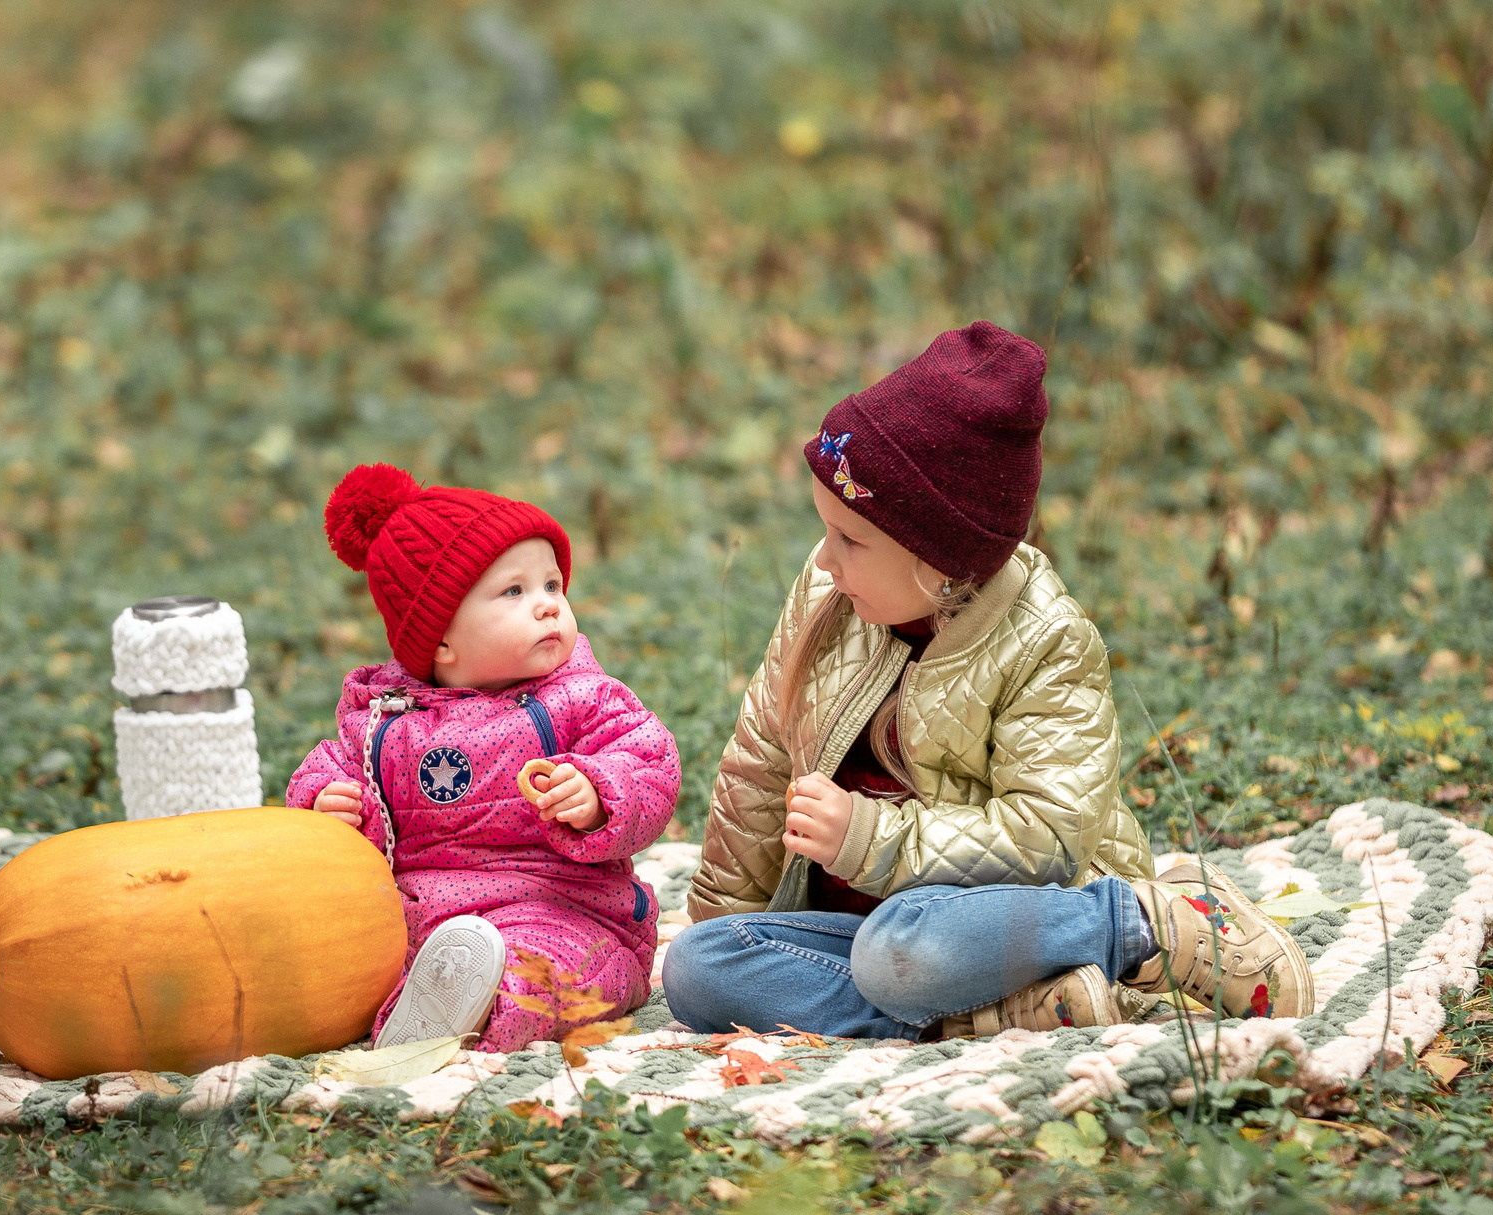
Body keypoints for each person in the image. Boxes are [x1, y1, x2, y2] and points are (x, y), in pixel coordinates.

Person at [661, 321, 1313, 1039]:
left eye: (851, 539)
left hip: (993, 918)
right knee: (697, 968)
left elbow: (1048, 834)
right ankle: (989, 1014)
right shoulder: (826, 596)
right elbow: (761, 760)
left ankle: (1140, 922)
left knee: (901, 950)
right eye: (825, 529)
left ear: (939, 559)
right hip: (867, 932)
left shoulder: (1046, 639)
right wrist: (736, 931)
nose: (825, 559)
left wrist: (868, 837)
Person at [289, 464, 680, 1050]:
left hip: (559, 908)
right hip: (416, 924)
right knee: (329, 961)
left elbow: (648, 762)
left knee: (569, 975)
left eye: (553, 587)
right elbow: (332, 771)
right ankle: (420, 999)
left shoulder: (581, 696)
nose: (548, 606)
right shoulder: (384, 721)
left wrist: (599, 795)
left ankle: (484, 1005)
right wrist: (328, 805)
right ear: (440, 637)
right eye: (514, 592)